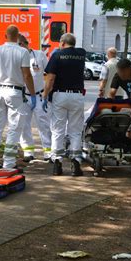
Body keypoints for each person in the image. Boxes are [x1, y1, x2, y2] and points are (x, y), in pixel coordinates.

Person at [0, 25, 36, 171]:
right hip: (15, 93)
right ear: (18, 36)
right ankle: (8, 164)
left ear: (5, 36)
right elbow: (27, 75)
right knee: (14, 128)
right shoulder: (23, 52)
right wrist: (32, 94)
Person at [43, 33, 86, 176]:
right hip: (77, 95)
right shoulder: (81, 54)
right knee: (75, 130)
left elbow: (50, 79)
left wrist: (44, 95)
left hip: (60, 95)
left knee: (57, 130)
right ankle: (76, 163)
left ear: (62, 43)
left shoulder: (57, 56)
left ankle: (57, 163)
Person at [17, 35, 52, 162]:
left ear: (24, 44)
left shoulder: (40, 55)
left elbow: (48, 73)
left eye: (19, 45)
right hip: (24, 97)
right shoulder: (18, 57)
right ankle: (28, 151)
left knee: (43, 124)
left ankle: (48, 152)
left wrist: (47, 92)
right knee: (24, 124)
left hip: (39, 95)